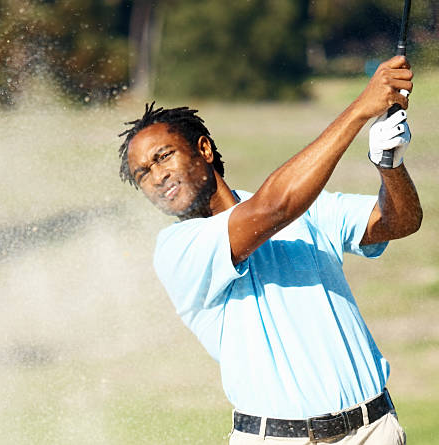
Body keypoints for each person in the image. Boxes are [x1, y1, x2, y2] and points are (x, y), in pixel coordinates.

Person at [117, 55, 421, 444]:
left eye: (163, 156)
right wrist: (362, 108)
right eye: (143, 173)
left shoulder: (306, 205)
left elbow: (400, 222)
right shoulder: (177, 249)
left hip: (373, 430)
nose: (157, 176)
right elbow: (272, 208)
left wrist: (390, 165)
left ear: (204, 150)